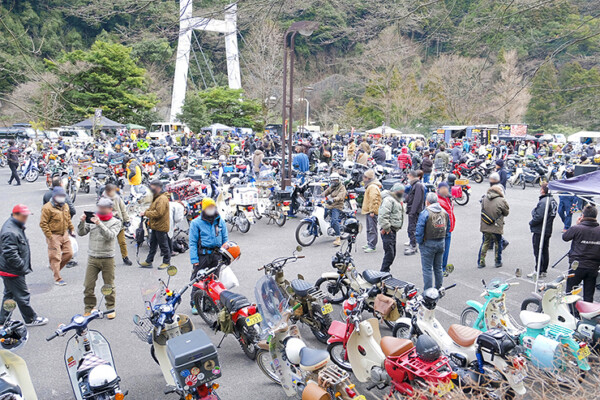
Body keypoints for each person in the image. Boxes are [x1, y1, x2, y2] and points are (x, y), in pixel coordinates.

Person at [0, 205, 48, 326]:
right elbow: (10, 254)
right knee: (22, 296)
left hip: (9, 270)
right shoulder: (10, 231)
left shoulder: (14, 225)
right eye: (24, 216)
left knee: (10, 295)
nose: (26, 218)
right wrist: (21, 266)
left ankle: (3, 320)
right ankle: (31, 319)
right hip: (12, 271)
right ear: (15, 215)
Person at [78, 198, 121, 319]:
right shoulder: (92, 219)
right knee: (88, 285)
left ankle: (110, 307)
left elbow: (110, 236)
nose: (100, 210)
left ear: (110, 209)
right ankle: (89, 307)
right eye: (99, 208)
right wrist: (82, 222)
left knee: (109, 285)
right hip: (92, 257)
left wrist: (99, 224)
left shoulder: (115, 222)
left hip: (108, 258)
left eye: (103, 208)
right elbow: (81, 233)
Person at [189, 198, 228, 314]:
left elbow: (225, 239)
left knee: (213, 281)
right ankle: (195, 303)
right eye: (208, 207)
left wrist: (226, 255)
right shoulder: (196, 223)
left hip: (216, 256)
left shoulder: (220, 221)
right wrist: (194, 259)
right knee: (199, 280)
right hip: (202, 256)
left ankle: (208, 304)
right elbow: (192, 242)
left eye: (213, 207)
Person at [563, 205, 600, 302]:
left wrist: (577, 224)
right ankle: (586, 315)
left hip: (577, 265)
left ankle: (573, 313)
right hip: (593, 266)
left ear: (583, 216)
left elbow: (565, 237)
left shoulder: (577, 228)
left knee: (570, 292)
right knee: (588, 295)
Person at [40, 187, 74, 286]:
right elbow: (43, 223)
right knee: (55, 257)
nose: (62, 198)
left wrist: (71, 229)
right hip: (54, 235)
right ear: (54, 196)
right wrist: (50, 236)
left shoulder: (65, 206)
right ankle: (57, 278)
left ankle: (55, 268)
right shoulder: (47, 208)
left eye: (63, 196)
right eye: (60, 196)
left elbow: (68, 219)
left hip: (64, 234)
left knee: (69, 253)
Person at [415, 193, 449, 290]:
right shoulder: (444, 212)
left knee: (427, 269)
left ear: (427, 201)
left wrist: (420, 242)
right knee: (438, 268)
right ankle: (438, 287)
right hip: (441, 242)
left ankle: (428, 291)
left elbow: (419, 229)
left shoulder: (425, 213)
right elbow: (448, 227)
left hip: (428, 243)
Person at [478, 177, 510, 269]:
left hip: (485, 225)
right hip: (496, 226)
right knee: (498, 243)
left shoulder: (484, 198)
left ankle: (481, 262)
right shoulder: (501, 200)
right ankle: (497, 261)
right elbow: (506, 213)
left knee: (485, 243)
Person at [527, 183, 557, 279]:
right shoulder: (553, 201)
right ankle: (543, 270)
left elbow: (539, 216)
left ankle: (538, 270)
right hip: (548, 228)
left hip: (541, 229)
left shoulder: (544, 201)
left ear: (543, 190)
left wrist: (531, 222)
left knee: (538, 250)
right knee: (544, 249)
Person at [138, 181, 171, 269]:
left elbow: (158, 213)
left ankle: (166, 262)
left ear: (158, 188)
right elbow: (152, 208)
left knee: (163, 245)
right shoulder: (157, 197)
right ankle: (149, 261)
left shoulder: (162, 199)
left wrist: (145, 213)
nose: (150, 189)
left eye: (152, 187)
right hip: (155, 226)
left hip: (161, 226)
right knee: (153, 245)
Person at [102, 184, 132, 265]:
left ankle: (125, 257)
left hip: (119, 224)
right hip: (109, 225)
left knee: (122, 242)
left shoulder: (117, 198)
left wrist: (126, 220)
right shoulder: (103, 199)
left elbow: (123, 209)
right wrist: (112, 214)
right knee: (108, 242)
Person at [378, 183, 405, 272]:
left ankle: (385, 271)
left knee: (391, 253)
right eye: (400, 191)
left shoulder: (396, 199)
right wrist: (387, 228)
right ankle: (383, 272)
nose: (402, 193)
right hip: (388, 230)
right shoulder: (389, 200)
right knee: (390, 254)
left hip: (392, 230)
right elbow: (383, 216)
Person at [322, 173, 347, 247]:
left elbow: (340, 197)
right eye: (332, 180)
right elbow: (325, 192)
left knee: (334, 221)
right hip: (329, 205)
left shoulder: (342, 188)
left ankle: (338, 237)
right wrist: (318, 196)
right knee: (321, 216)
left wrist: (333, 200)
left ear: (338, 180)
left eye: (335, 180)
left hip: (337, 206)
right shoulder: (332, 186)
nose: (333, 181)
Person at [404, 170, 425, 255]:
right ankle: (413, 245)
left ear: (411, 176)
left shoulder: (418, 185)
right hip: (413, 210)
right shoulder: (416, 185)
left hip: (415, 211)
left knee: (412, 228)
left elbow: (417, 199)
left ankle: (413, 246)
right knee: (411, 228)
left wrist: (412, 211)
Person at [437, 182, 455, 274]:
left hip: (449, 228)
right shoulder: (439, 201)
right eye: (443, 188)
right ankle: (440, 268)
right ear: (438, 189)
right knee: (441, 249)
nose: (445, 190)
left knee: (445, 249)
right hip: (442, 229)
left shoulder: (448, 198)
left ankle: (442, 266)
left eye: (446, 188)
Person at [361, 170, 382, 253]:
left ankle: (372, 245)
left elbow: (374, 200)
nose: (363, 179)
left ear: (367, 178)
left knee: (372, 228)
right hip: (368, 211)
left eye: (364, 177)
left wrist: (372, 211)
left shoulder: (372, 187)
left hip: (371, 211)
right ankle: (369, 242)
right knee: (369, 228)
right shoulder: (370, 186)